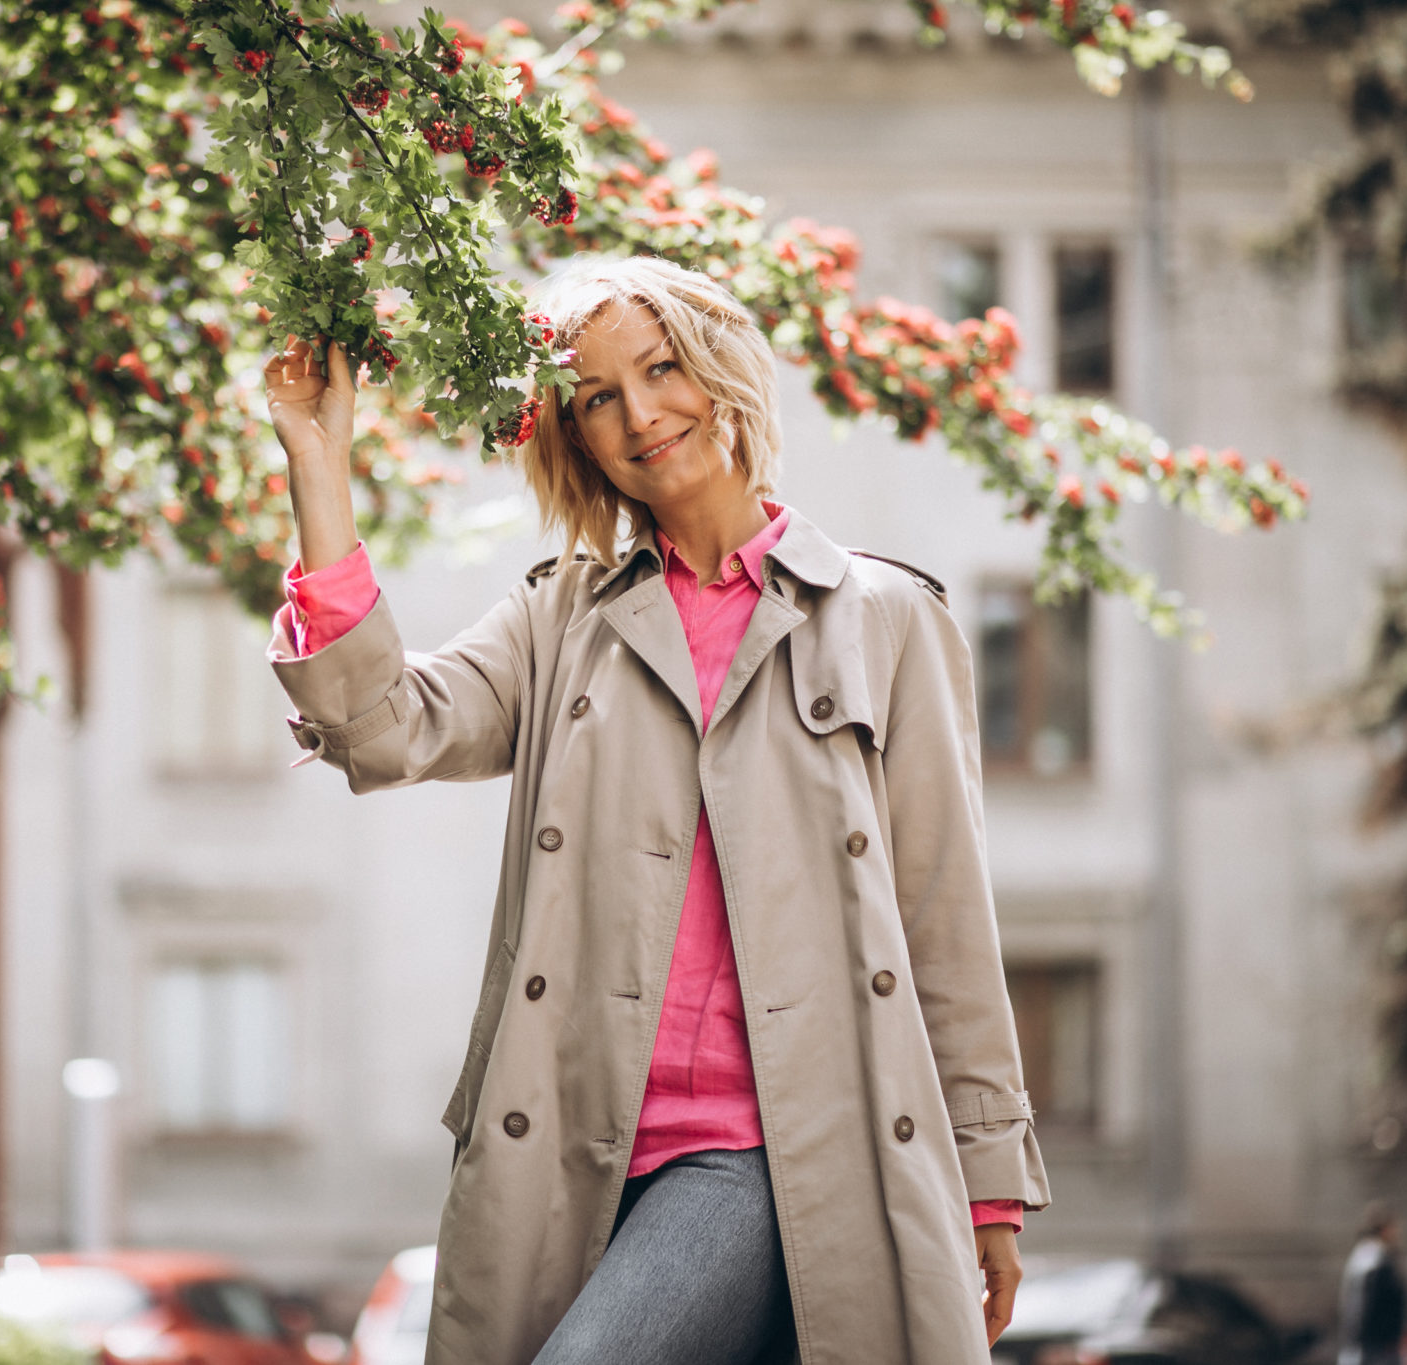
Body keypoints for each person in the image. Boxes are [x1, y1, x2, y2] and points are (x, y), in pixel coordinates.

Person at [262, 255, 1050, 1365]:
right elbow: (383, 729)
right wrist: (319, 465)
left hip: (768, 1154)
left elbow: (942, 917)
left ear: (719, 367)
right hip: (564, 1155)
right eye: (594, 397)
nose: (639, 414)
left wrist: (989, 1186)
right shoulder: (561, 619)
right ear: (573, 434)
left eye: (661, 368)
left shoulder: (882, 617)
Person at [1340, 1200, 1407, 1365]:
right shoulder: (1379, 1260)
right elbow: (1376, 1307)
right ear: (1385, 1229)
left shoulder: (1360, 1256)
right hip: (1378, 1348)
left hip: (1356, 1344)